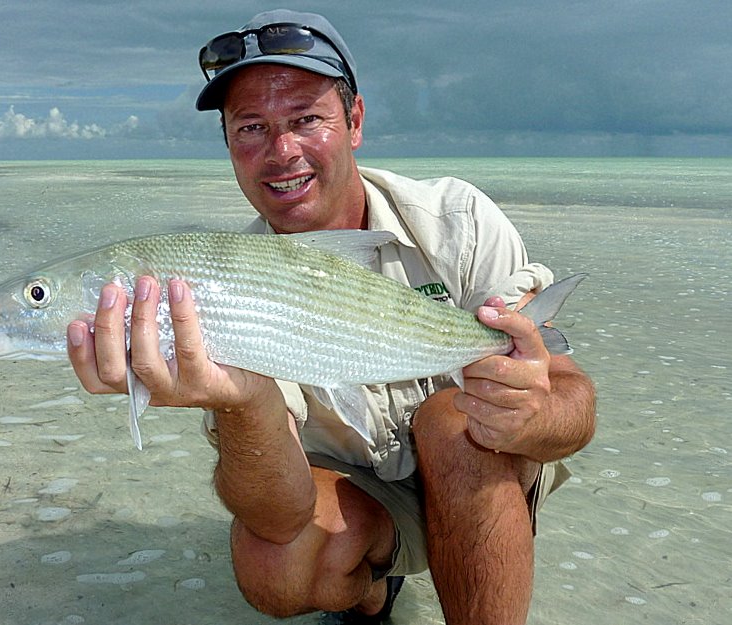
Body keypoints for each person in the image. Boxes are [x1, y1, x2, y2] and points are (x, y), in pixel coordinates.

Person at [66, 9, 596, 625]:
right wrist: (244, 401)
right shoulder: (213, 290)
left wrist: (532, 412)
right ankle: (371, 593)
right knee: (274, 565)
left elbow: (573, 412)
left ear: (355, 121)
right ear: (228, 145)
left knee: (455, 422)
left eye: (306, 119)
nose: (281, 151)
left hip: (483, 483)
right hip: (362, 499)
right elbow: (274, 516)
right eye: (251, 127)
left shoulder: (458, 222)